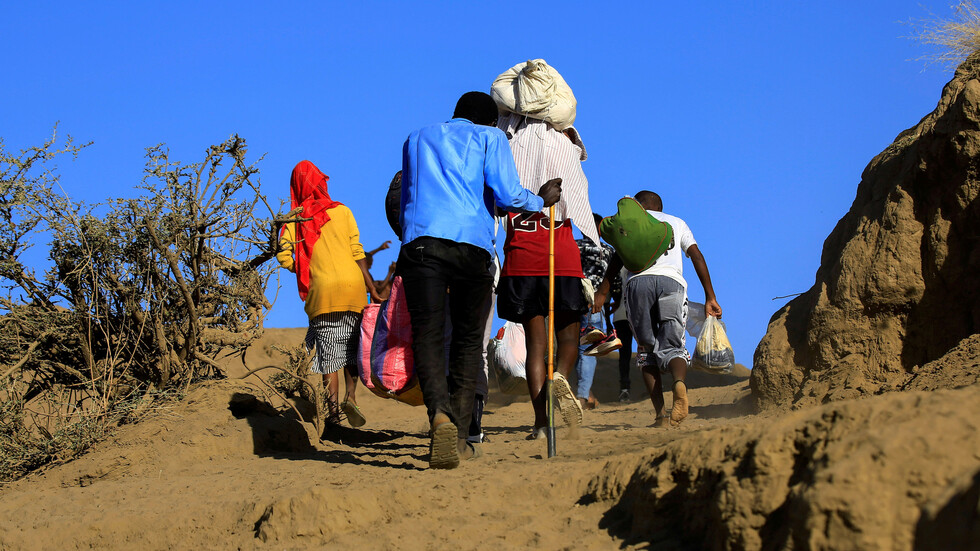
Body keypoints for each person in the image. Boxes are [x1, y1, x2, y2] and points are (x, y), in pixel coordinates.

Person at [398, 91, 561, 469]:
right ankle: (456, 436)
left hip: (421, 245)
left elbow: (408, 196)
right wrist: (540, 199)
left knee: (428, 334)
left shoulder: (417, 137)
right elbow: (506, 194)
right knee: (470, 343)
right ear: (489, 121)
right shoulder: (491, 138)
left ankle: (438, 414)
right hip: (471, 249)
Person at [495, 112, 597, 440]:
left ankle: (541, 423)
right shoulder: (563, 149)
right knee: (568, 339)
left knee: (536, 347)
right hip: (561, 259)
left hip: (522, 260)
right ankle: (561, 379)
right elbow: (580, 152)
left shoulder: (507, 151)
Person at [593, 191, 722, 426]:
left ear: (638, 207)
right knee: (673, 345)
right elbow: (697, 256)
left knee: (646, 350)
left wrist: (602, 293)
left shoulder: (631, 223)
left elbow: (617, 261)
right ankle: (679, 384)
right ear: (660, 207)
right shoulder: (677, 222)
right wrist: (710, 296)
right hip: (672, 284)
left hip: (638, 285)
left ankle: (661, 416)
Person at [277, 160, 381, 432]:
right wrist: (371, 289)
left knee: (329, 359)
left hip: (323, 293)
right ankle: (352, 397)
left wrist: (305, 266)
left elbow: (283, 256)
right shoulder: (342, 211)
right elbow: (358, 252)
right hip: (353, 288)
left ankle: (333, 417)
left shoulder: (294, 220)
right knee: (352, 350)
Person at [574, 213, 618, 410]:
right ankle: (583, 396)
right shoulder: (609, 251)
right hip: (595, 305)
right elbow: (615, 282)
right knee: (588, 351)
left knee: (570, 347)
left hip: (571, 301)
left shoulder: (575, 246)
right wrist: (616, 300)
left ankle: (584, 394)